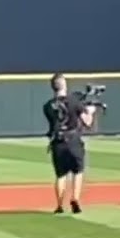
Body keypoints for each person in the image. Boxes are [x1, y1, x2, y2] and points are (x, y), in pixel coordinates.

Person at [42, 74, 96, 214]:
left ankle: (59, 205)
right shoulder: (74, 101)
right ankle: (75, 199)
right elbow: (87, 122)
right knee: (78, 171)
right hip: (73, 141)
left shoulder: (47, 106)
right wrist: (90, 112)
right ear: (64, 85)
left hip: (58, 143)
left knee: (61, 175)